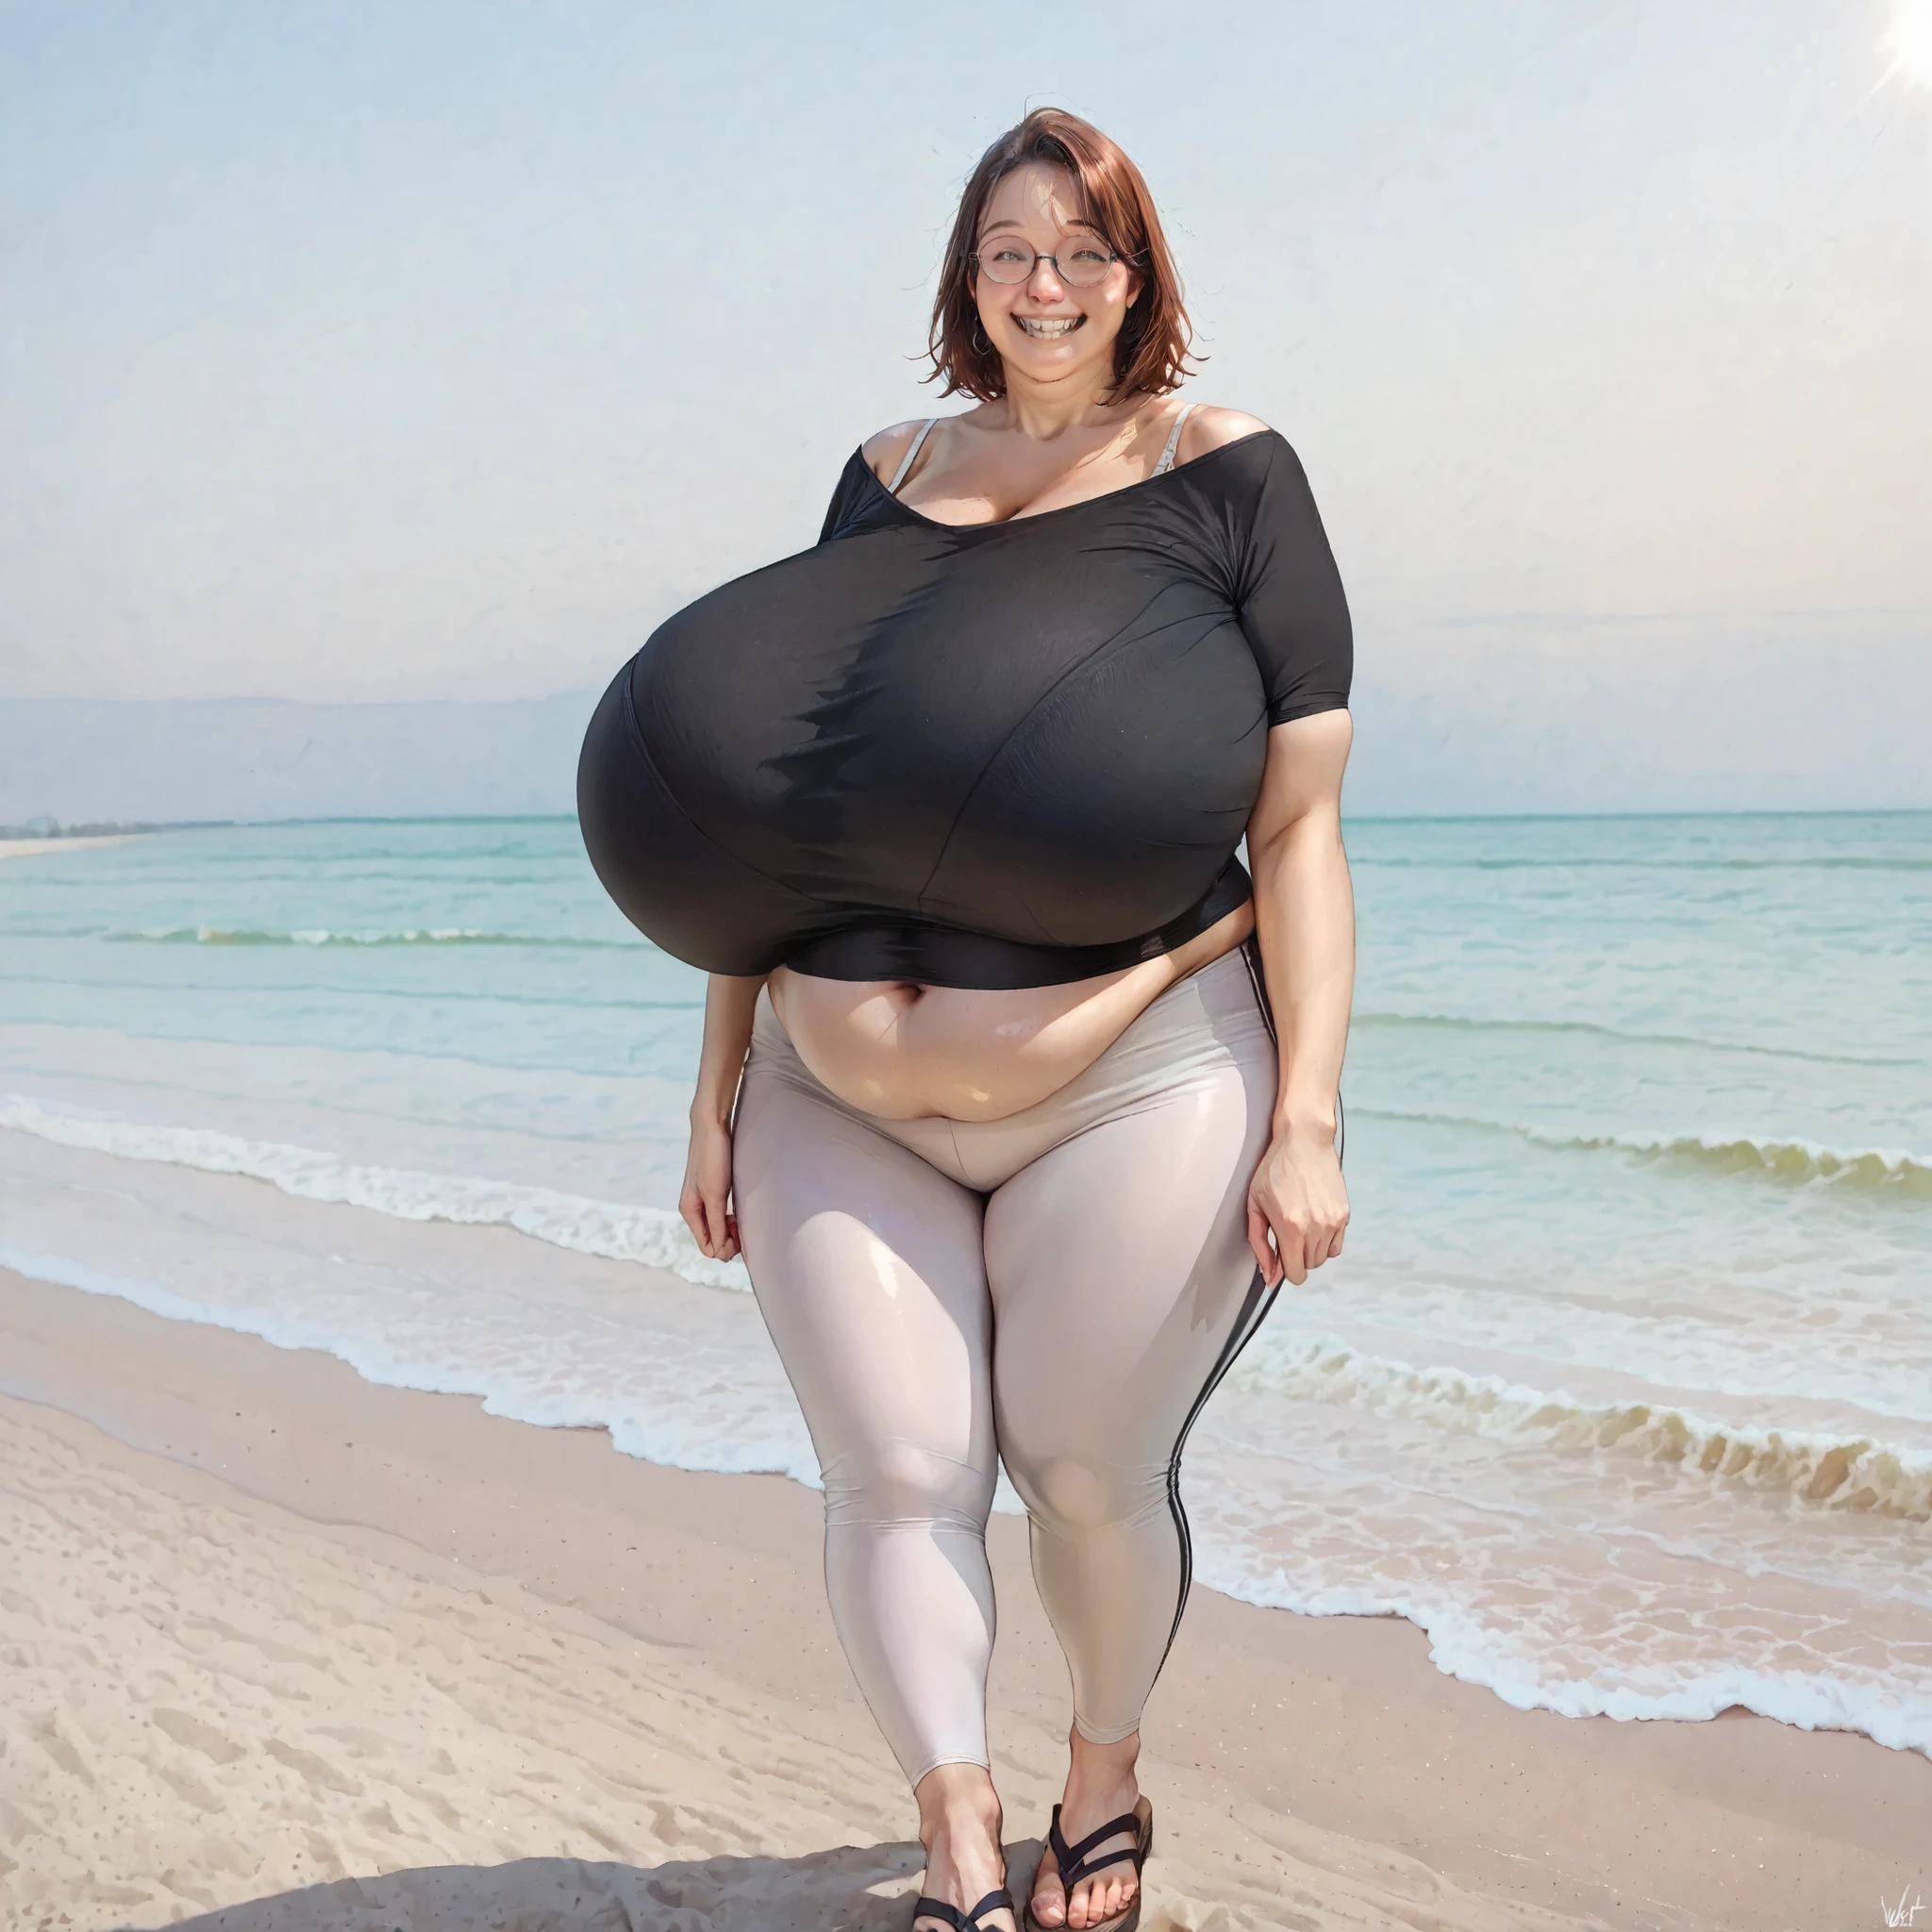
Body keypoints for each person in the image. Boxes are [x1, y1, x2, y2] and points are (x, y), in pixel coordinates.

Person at [577, 108, 1354, 1932]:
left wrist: (1308, 1109)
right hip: (832, 1089)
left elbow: (1301, 826)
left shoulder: (1229, 475)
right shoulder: (884, 468)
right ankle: (953, 1838)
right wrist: (711, 1093)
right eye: (1009, 248)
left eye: (1082, 247)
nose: (1045, 282)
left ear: (1139, 269)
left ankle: (1103, 1769)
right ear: (966, 274)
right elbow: (779, 794)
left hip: (1138, 1078)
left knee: (1085, 1464)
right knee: (902, 1472)